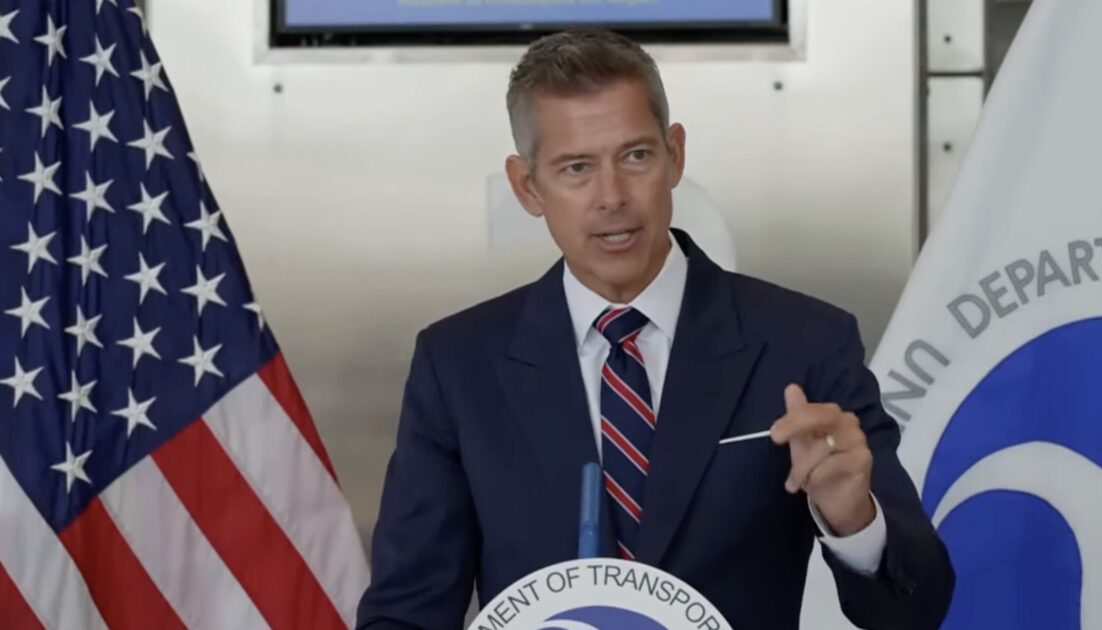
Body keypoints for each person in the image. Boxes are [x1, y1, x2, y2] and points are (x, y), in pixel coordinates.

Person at [357, 28, 954, 630]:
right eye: (576, 169)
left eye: (635, 156)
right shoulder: (459, 365)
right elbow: (406, 613)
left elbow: (917, 610)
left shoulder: (805, 343)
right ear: (527, 186)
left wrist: (856, 522)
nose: (612, 196)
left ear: (675, 155)